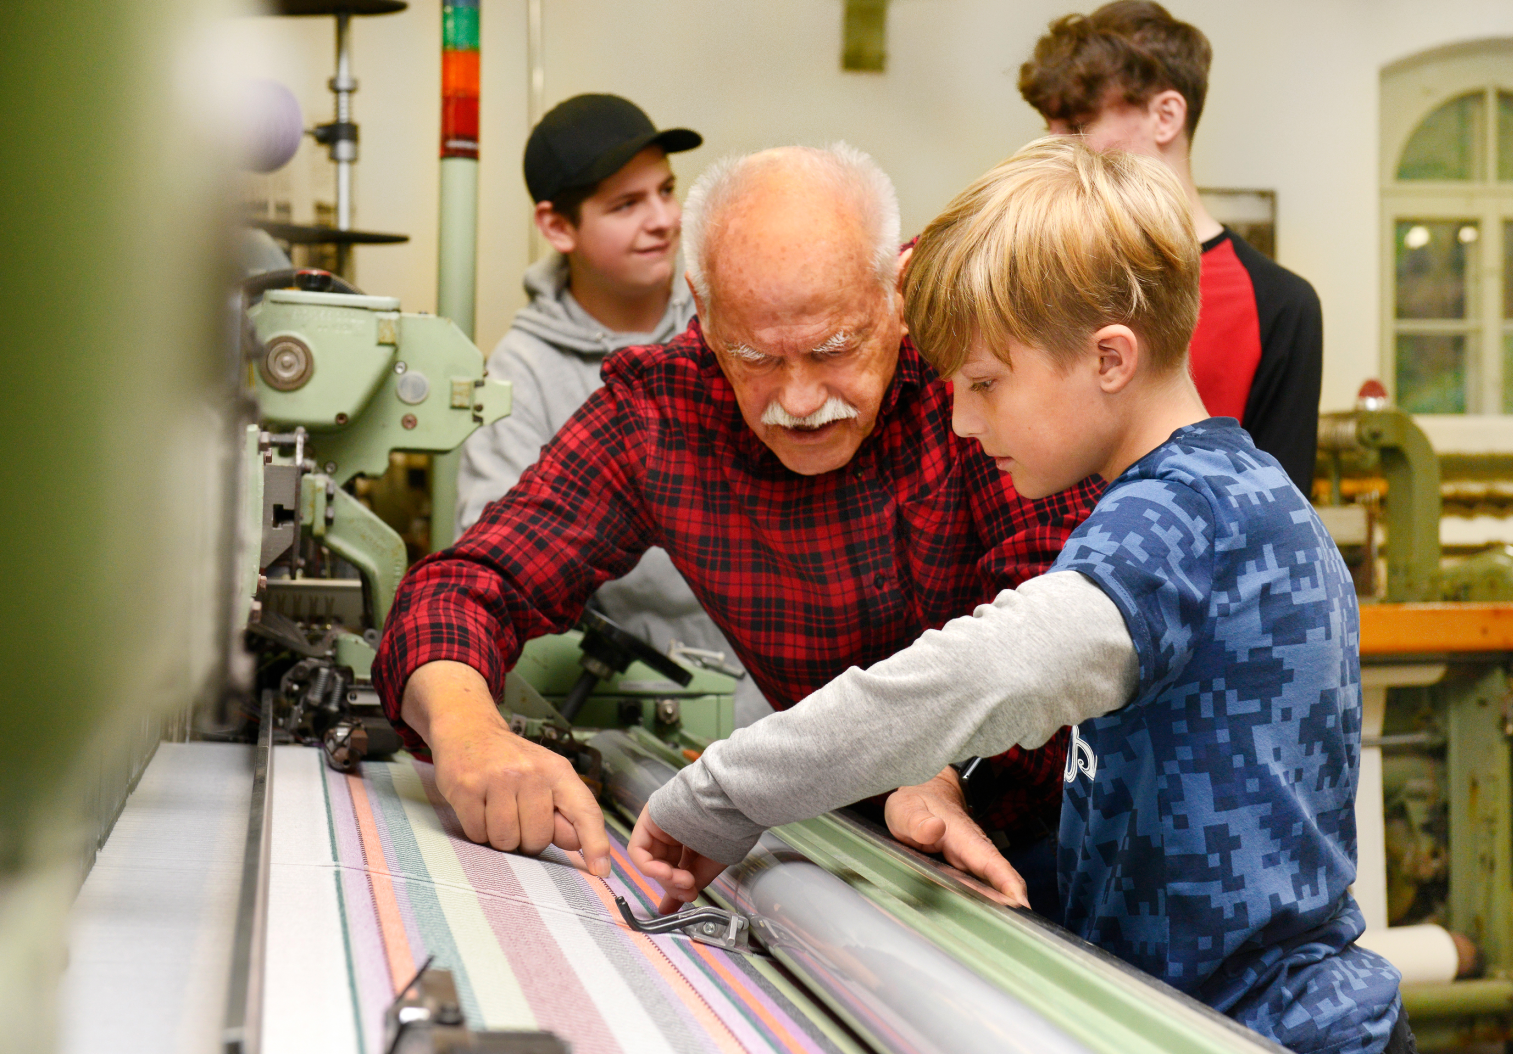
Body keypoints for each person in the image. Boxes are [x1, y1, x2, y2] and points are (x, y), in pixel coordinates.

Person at [629, 138, 1406, 1054]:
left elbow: (979, 675)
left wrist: (723, 794)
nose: (961, 419)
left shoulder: (1179, 526)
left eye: (987, 383)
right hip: (1186, 1014)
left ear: (1110, 358)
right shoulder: (1223, 491)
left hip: (1262, 1029)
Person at [374, 143, 1102, 907]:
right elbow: (471, 583)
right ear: (705, 306)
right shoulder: (661, 415)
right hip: (843, 835)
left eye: (833, 349)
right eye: (754, 356)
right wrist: (468, 733)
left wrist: (941, 772)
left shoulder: (979, 374)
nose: (797, 399)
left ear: (897, 289)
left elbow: (1054, 631)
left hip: (1054, 825)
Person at [453, 94, 770, 728]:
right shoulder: (522, 372)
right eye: (626, 205)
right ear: (557, 227)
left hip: (779, 695)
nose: (663, 220)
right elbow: (499, 555)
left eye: (666, 190)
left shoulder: (734, 318)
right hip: (637, 706)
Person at [1019, 1, 1322, 495]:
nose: (1053, 148)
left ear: (1166, 115)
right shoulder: (1036, 277)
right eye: (1048, 126)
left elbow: (1279, 522)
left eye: (1077, 123)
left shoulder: (1279, 305)